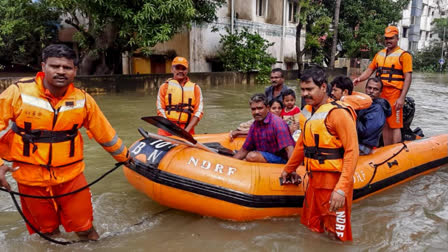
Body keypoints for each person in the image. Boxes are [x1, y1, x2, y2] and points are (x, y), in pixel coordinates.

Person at [0, 44, 133, 241]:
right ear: (43, 66)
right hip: (29, 177)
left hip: (71, 176)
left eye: (67, 67)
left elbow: (105, 134)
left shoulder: (83, 100)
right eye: (55, 66)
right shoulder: (17, 93)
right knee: (48, 232)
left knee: (86, 229)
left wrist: (128, 158)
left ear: (75, 71)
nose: (61, 71)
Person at [281, 67, 358, 241]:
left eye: (310, 89)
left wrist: (341, 188)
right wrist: (289, 169)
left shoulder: (338, 113)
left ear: (323, 87)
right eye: (303, 89)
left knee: (337, 236)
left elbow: (352, 151)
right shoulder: (307, 113)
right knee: (311, 226)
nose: (305, 94)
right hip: (313, 180)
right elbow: (302, 146)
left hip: (333, 181)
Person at [353, 26, 413, 145]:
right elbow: (369, 70)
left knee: (395, 124)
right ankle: (386, 150)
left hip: (395, 94)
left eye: (391, 38)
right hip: (380, 93)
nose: (388, 41)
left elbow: (408, 77)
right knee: (385, 123)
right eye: (386, 38)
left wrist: (402, 98)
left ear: (397, 38)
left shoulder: (404, 55)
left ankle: (396, 151)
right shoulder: (379, 54)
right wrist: (359, 79)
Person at [233, 94, 295, 163]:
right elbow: (244, 150)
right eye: (253, 109)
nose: (256, 112)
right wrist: (230, 163)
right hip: (266, 156)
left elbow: (289, 149)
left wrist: (290, 169)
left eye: (260, 108)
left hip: (282, 160)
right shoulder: (254, 126)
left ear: (268, 108)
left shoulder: (278, 124)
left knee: (252, 156)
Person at [156, 56, 203, 136]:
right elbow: (160, 109)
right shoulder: (164, 87)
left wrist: (186, 132)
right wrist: (170, 128)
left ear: (187, 71)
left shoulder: (196, 88)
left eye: (183, 69)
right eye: (177, 68)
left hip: (187, 130)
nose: (180, 71)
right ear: (172, 69)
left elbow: (199, 112)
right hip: (166, 130)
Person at [357, 77, 392, 155]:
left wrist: (352, 119)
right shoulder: (364, 104)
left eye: (375, 89)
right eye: (369, 88)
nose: (371, 91)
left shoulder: (378, 109)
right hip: (357, 143)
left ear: (380, 93)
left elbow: (366, 132)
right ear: (365, 89)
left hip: (363, 147)